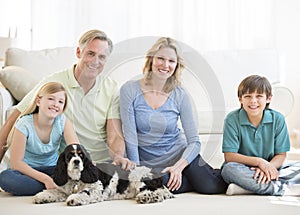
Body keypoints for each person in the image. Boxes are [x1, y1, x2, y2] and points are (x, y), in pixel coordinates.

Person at [0, 29, 134, 170]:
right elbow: (13, 120)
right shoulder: (53, 83)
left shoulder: (111, 88)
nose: (96, 61)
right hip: (69, 165)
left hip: (101, 165)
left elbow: (115, 135)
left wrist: (118, 156)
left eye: (102, 57)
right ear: (78, 52)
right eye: (91, 54)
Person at [120, 37, 228, 194]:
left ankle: (226, 173)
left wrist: (178, 168)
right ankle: (191, 179)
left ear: (177, 65)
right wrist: (137, 173)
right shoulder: (129, 90)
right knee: (157, 184)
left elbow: (194, 142)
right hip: (151, 164)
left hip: (181, 157)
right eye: (160, 59)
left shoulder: (180, 94)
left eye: (171, 61)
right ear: (151, 60)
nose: (165, 65)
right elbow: (130, 138)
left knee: (210, 187)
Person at [221, 75, 300, 196]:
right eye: (248, 96)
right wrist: (259, 162)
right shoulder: (232, 119)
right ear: (240, 99)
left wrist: (268, 167)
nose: (253, 101)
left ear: (268, 98)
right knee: (228, 170)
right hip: (244, 169)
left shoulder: (278, 119)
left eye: (259, 96)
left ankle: (246, 188)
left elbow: (281, 155)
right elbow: (229, 156)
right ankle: (283, 189)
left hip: (273, 166)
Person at [0, 82, 79, 195]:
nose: (56, 104)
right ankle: (55, 186)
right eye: (51, 99)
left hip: (52, 169)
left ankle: (50, 186)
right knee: (5, 178)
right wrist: (45, 179)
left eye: (61, 102)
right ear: (38, 101)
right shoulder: (24, 124)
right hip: (26, 172)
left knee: (72, 171)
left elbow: (75, 149)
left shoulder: (63, 121)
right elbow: (16, 163)